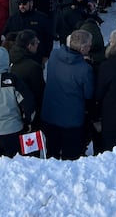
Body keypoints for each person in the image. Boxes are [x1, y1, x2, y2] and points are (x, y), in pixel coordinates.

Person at [41, 29, 94, 160]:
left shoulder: (54, 55)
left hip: (50, 115)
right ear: (82, 49)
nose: (90, 47)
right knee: (70, 159)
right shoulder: (85, 69)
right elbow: (89, 94)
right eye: (89, 45)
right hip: (71, 121)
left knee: (52, 154)